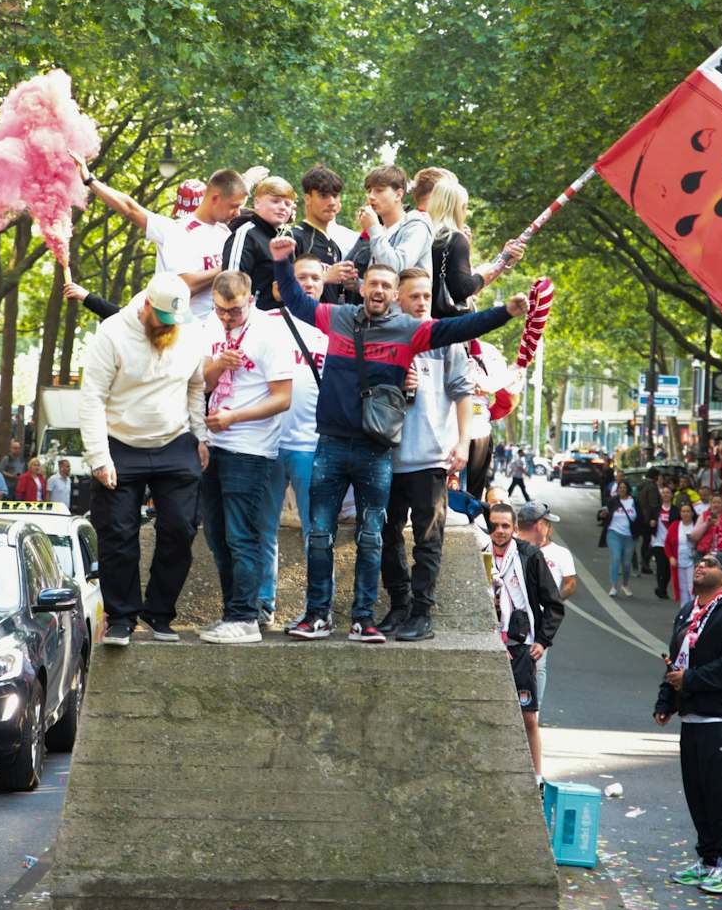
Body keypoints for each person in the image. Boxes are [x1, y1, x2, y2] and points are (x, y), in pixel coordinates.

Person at [269, 234, 531, 642]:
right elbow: (296, 302)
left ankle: (363, 619)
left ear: (393, 296)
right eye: (372, 284)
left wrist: (506, 313)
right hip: (332, 445)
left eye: (385, 286)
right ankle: (316, 615)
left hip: (376, 451)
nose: (378, 291)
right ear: (362, 289)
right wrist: (282, 261)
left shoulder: (410, 331)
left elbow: (460, 325)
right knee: (319, 533)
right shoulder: (336, 317)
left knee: (373, 536)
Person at [80, 274, 212, 646]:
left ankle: (159, 613)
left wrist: (199, 436)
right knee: (119, 533)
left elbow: (195, 385)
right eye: (163, 320)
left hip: (174, 442)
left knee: (181, 531)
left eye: (176, 321)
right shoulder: (111, 334)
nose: (170, 328)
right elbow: (92, 398)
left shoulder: (190, 330)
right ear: (147, 306)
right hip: (121, 443)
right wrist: (99, 458)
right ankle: (121, 617)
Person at [195, 271, 294, 645]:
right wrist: (220, 364)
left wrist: (234, 417)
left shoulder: (270, 333)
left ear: (249, 300)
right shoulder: (212, 325)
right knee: (218, 536)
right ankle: (231, 614)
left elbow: (283, 398)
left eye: (233, 312)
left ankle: (246, 617)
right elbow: (202, 382)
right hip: (215, 443)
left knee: (242, 535)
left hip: (250, 448)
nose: (226, 319)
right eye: (221, 311)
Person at [380, 270, 476, 641]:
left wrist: (464, 441)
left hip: (429, 456)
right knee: (384, 534)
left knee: (428, 538)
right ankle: (398, 602)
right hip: (384, 456)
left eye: (425, 295)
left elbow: (463, 391)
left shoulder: (444, 338)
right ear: (397, 300)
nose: (421, 302)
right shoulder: (381, 335)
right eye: (414, 296)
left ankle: (422, 611)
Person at [655, 550, 722, 895]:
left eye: (710, 563)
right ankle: (708, 859)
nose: (700, 565)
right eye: (699, 561)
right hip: (692, 715)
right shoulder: (689, 611)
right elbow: (675, 661)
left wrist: (691, 680)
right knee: (697, 792)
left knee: (719, 792)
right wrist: (666, 700)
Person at [78, 158, 250, 322]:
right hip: (183, 329)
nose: (237, 213)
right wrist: (90, 180)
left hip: (219, 330)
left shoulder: (225, 231)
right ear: (213, 198)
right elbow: (130, 209)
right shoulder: (174, 230)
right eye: (234, 207)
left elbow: (234, 193)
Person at [268, 255, 330, 607]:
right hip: (267, 444)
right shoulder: (263, 323)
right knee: (264, 532)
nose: (308, 283)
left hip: (314, 445)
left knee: (317, 534)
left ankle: (318, 607)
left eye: (314, 279)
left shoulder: (335, 324)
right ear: (282, 287)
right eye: (300, 277)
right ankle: (262, 605)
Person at [486, 504, 565, 782]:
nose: (499, 531)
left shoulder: (529, 556)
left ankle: (536, 777)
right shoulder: (478, 555)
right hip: (488, 643)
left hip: (521, 644)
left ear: (515, 529)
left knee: (528, 716)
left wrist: (543, 641)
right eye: (494, 525)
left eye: (505, 526)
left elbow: (553, 604)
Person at [425, 180, 522, 318]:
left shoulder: (424, 234)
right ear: (462, 208)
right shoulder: (455, 239)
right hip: (446, 324)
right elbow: (463, 288)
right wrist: (481, 277)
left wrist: (503, 258)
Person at [221, 174, 298, 310]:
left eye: (287, 204)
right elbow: (230, 288)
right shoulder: (246, 236)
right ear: (257, 202)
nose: (283, 208)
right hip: (251, 324)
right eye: (275, 201)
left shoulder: (285, 239)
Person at [287, 165, 360, 303]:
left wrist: (349, 284)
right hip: (299, 322)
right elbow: (278, 290)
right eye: (323, 196)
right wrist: (325, 277)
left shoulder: (334, 246)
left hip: (327, 322)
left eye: (335, 196)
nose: (331, 202)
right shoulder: (292, 237)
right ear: (308, 198)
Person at [352, 165, 433, 274]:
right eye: (369, 191)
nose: (371, 196)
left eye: (379, 190)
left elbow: (396, 268)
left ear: (398, 195)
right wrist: (357, 284)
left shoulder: (417, 226)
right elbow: (385, 282)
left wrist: (374, 229)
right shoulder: (382, 231)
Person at [602, 481, 642, 597]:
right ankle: (613, 586)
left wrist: (639, 530)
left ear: (628, 489)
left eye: (624, 488)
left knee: (626, 562)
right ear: (617, 489)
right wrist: (602, 515)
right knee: (615, 558)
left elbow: (640, 517)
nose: (622, 490)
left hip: (629, 536)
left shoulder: (634, 501)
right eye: (620, 488)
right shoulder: (612, 501)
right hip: (613, 533)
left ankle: (624, 584)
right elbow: (602, 513)